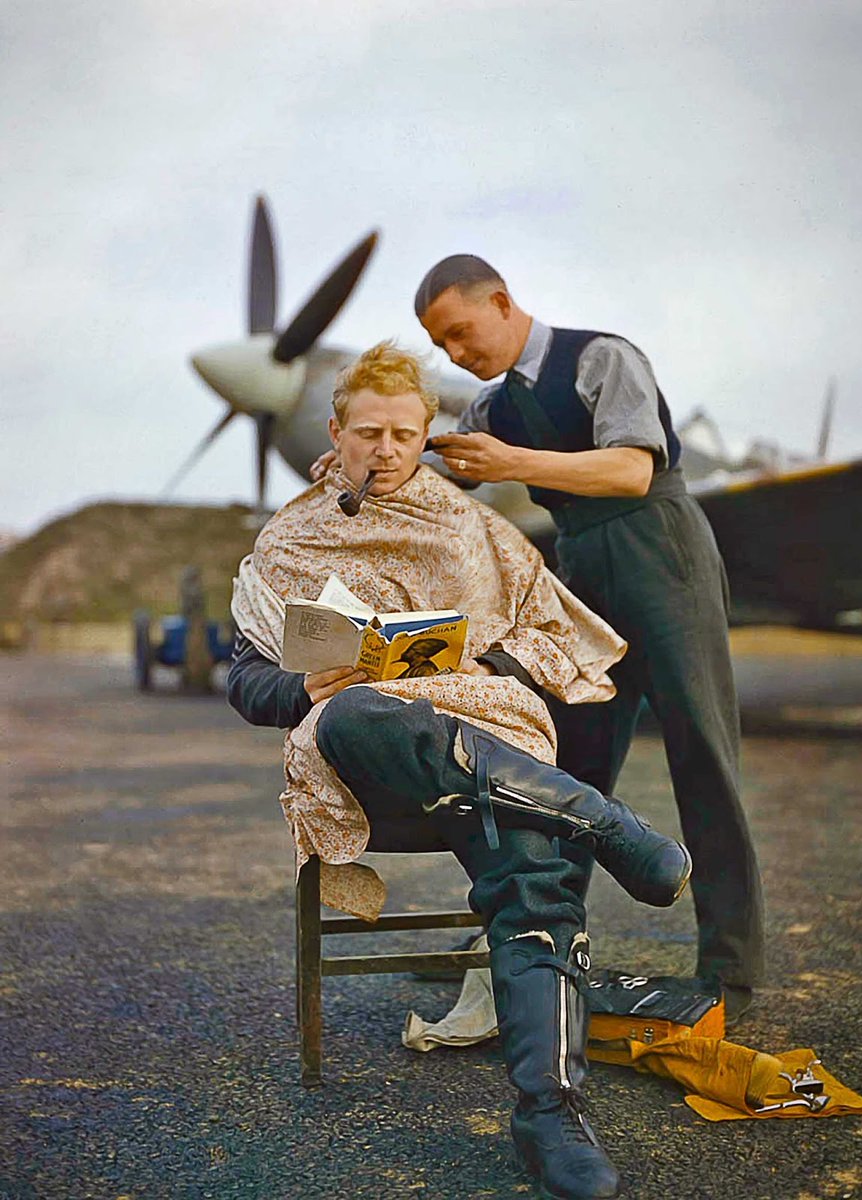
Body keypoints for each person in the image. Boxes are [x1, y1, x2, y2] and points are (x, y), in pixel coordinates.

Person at [228, 341, 693, 1200]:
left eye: (405, 434)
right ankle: (598, 818)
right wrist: (305, 683)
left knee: (535, 873)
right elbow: (246, 680)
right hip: (363, 756)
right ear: (336, 430)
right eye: (368, 432)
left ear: (425, 434)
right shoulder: (287, 540)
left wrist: (477, 669)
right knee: (365, 709)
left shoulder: (473, 527)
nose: (387, 448)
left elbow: (552, 643)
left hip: (483, 742)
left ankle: (549, 1111)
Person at [412, 256, 765, 1024]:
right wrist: (367, 460)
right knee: (569, 770)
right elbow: (439, 469)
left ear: (501, 303)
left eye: (461, 334)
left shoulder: (601, 357)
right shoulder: (490, 405)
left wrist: (515, 464)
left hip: (658, 551)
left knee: (700, 753)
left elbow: (632, 470)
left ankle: (729, 970)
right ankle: (537, 948)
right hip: (577, 568)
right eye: (441, 347)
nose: (456, 357)